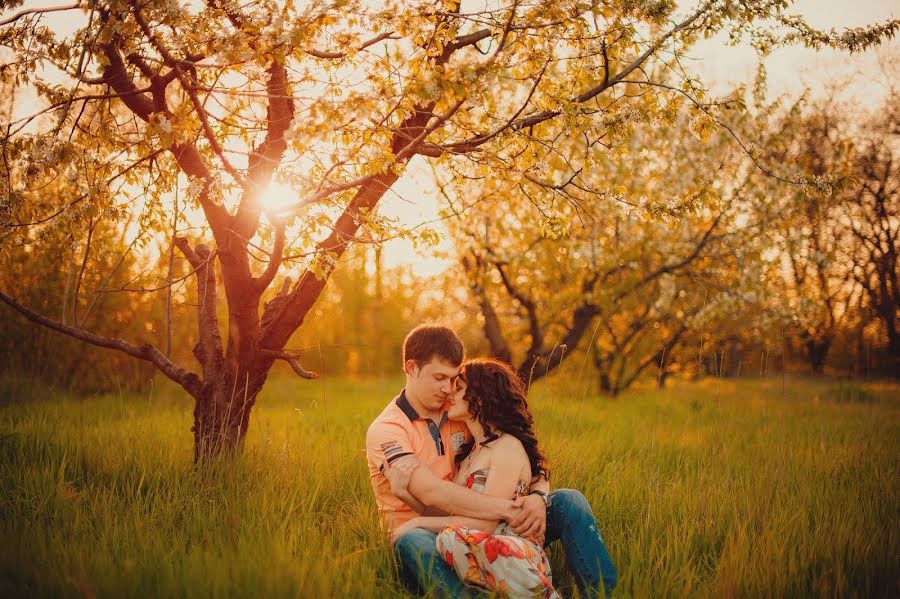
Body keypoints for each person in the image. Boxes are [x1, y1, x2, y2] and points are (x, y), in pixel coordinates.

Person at [365, 325, 617, 597]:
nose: (447, 389)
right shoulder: (389, 429)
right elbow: (430, 492)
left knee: (569, 501)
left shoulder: (459, 415)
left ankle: (602, 593)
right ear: (411, 368)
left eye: (453, 379)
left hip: (484, 522)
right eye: (439, 377)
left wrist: (537, 497)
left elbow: (524, 461)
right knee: (412, 539)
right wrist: (505, 509)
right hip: (423, 531)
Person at [391, 358, 559, 598]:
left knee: (448, 537)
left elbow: (488, 524)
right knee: (442, 537)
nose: (450, 392)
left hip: (511, 552)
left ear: (480, 398)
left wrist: (418, 523)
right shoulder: (470, 454)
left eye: (458, 388)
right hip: (475, 551)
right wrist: (405, 495)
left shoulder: (507, 447)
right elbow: (455, 516)